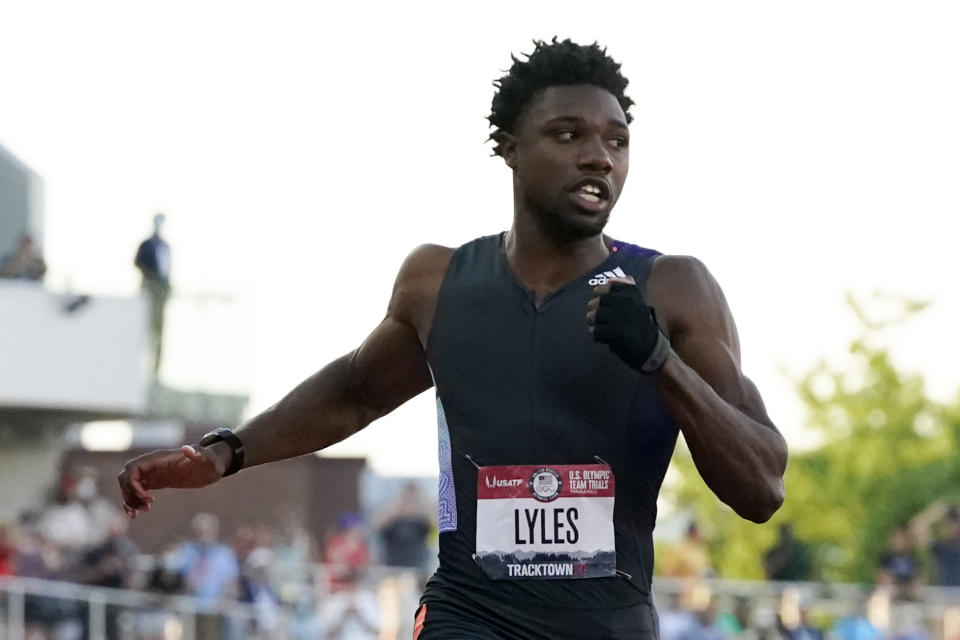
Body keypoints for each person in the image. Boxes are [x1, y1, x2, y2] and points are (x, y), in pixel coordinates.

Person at [119, 38, 788, 639]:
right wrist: (224, 452)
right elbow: (355, 391)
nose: (597, 157)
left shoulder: (672, 289)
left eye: (617, 142)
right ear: (509, 146)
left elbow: (761, 489)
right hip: (471, 616)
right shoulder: (439, 282)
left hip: (607, 622)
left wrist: (659, 361)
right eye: (567, 134)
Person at [134, 212, 172, 374]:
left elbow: (167, 268)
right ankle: (139, 368)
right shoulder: (147, 244)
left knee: (159, 331)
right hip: (150, 289)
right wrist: (151, 277)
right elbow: (138, 262)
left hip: (161, 292)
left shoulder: (165, 246)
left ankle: (156, 371)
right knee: (144, 329)